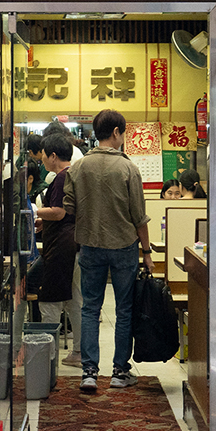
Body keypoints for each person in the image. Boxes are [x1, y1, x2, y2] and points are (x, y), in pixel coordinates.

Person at [64, 109, 153, 392]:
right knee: (124, 309)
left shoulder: (77, 168)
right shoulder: (128, 169)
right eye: (123, 133)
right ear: (116, 132)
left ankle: (89, 372)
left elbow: (69, 208)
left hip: (89, 245)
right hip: (124, 246)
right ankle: (119, 372)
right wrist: (147, 251)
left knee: (90, 308)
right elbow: (139, 216)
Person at [27, 132, 80, 362]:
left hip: (60, 248)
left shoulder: (60, 178)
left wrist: (33, 211)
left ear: (54, 155)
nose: (42, 161)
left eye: (44, 157)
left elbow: (58, 212)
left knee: (49, 301)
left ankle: (47, 356)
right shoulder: (75, 174)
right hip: (74, 244)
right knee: (75, 300)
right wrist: (44, 221)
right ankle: (79, 351)